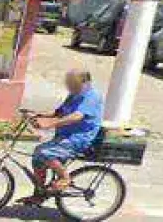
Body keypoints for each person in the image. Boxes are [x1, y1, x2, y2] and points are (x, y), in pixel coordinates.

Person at [19, 69, 103, 206]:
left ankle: (65, 178)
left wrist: (49, 124)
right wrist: (38, 114)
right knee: (37, 159)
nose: (70, 86)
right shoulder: (74, 95)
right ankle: (39, 194)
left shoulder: (92, 96)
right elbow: (59, 112)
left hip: (78, 139)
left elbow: (77, 116)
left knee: (43, 152)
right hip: (64, 136)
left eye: (74, 84)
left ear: (85, 82)